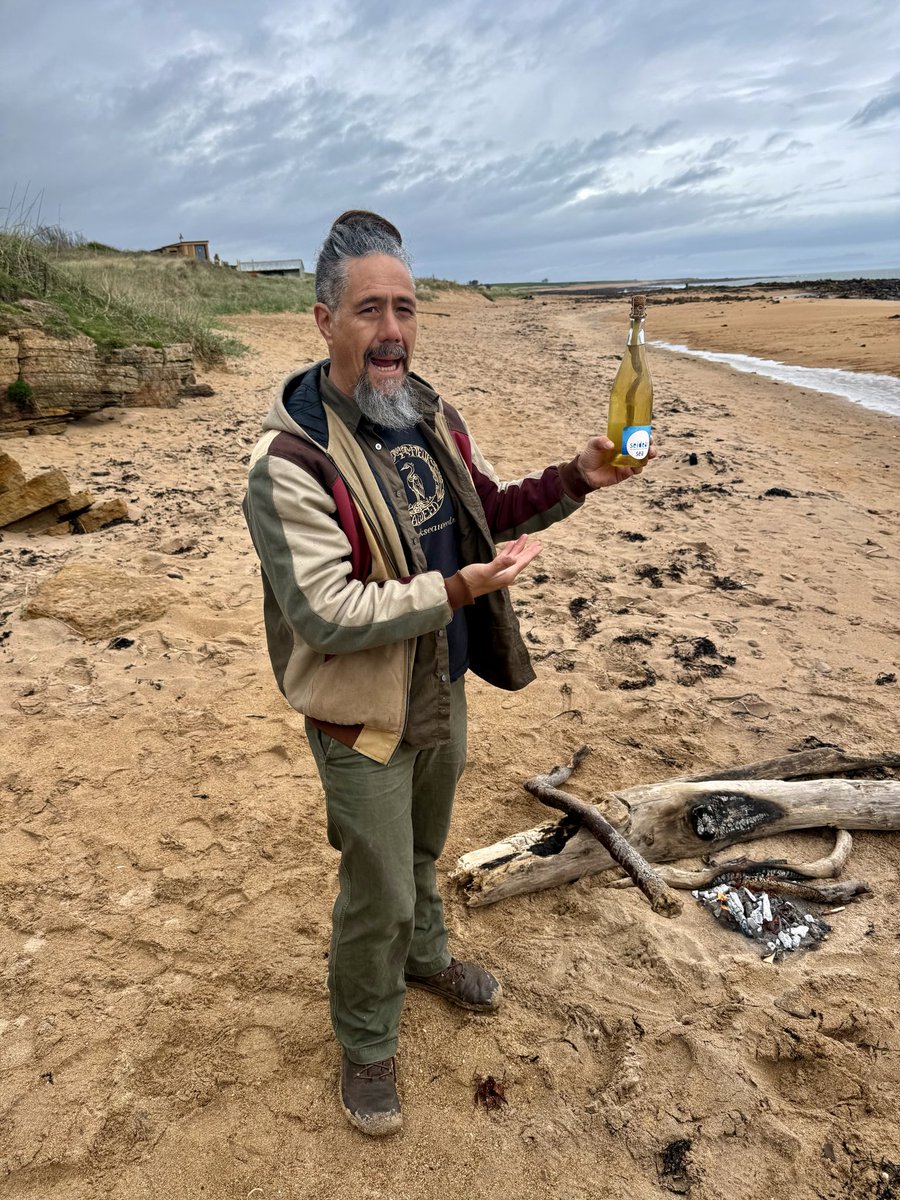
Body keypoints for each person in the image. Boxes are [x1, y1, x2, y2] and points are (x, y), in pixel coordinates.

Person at [243, 210, 653, 1136]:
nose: (392, 330)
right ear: (324, 321)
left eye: (406, 308)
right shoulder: (290, 461)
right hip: (360, 713)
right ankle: (366, 1039)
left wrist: (575, 478)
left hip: (440, 683)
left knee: (424, 850)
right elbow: (326, 612)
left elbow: (486, 510)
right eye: (369, 311)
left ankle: (426, 958)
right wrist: (458, 589)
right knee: (378, 887)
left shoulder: (428, 414)